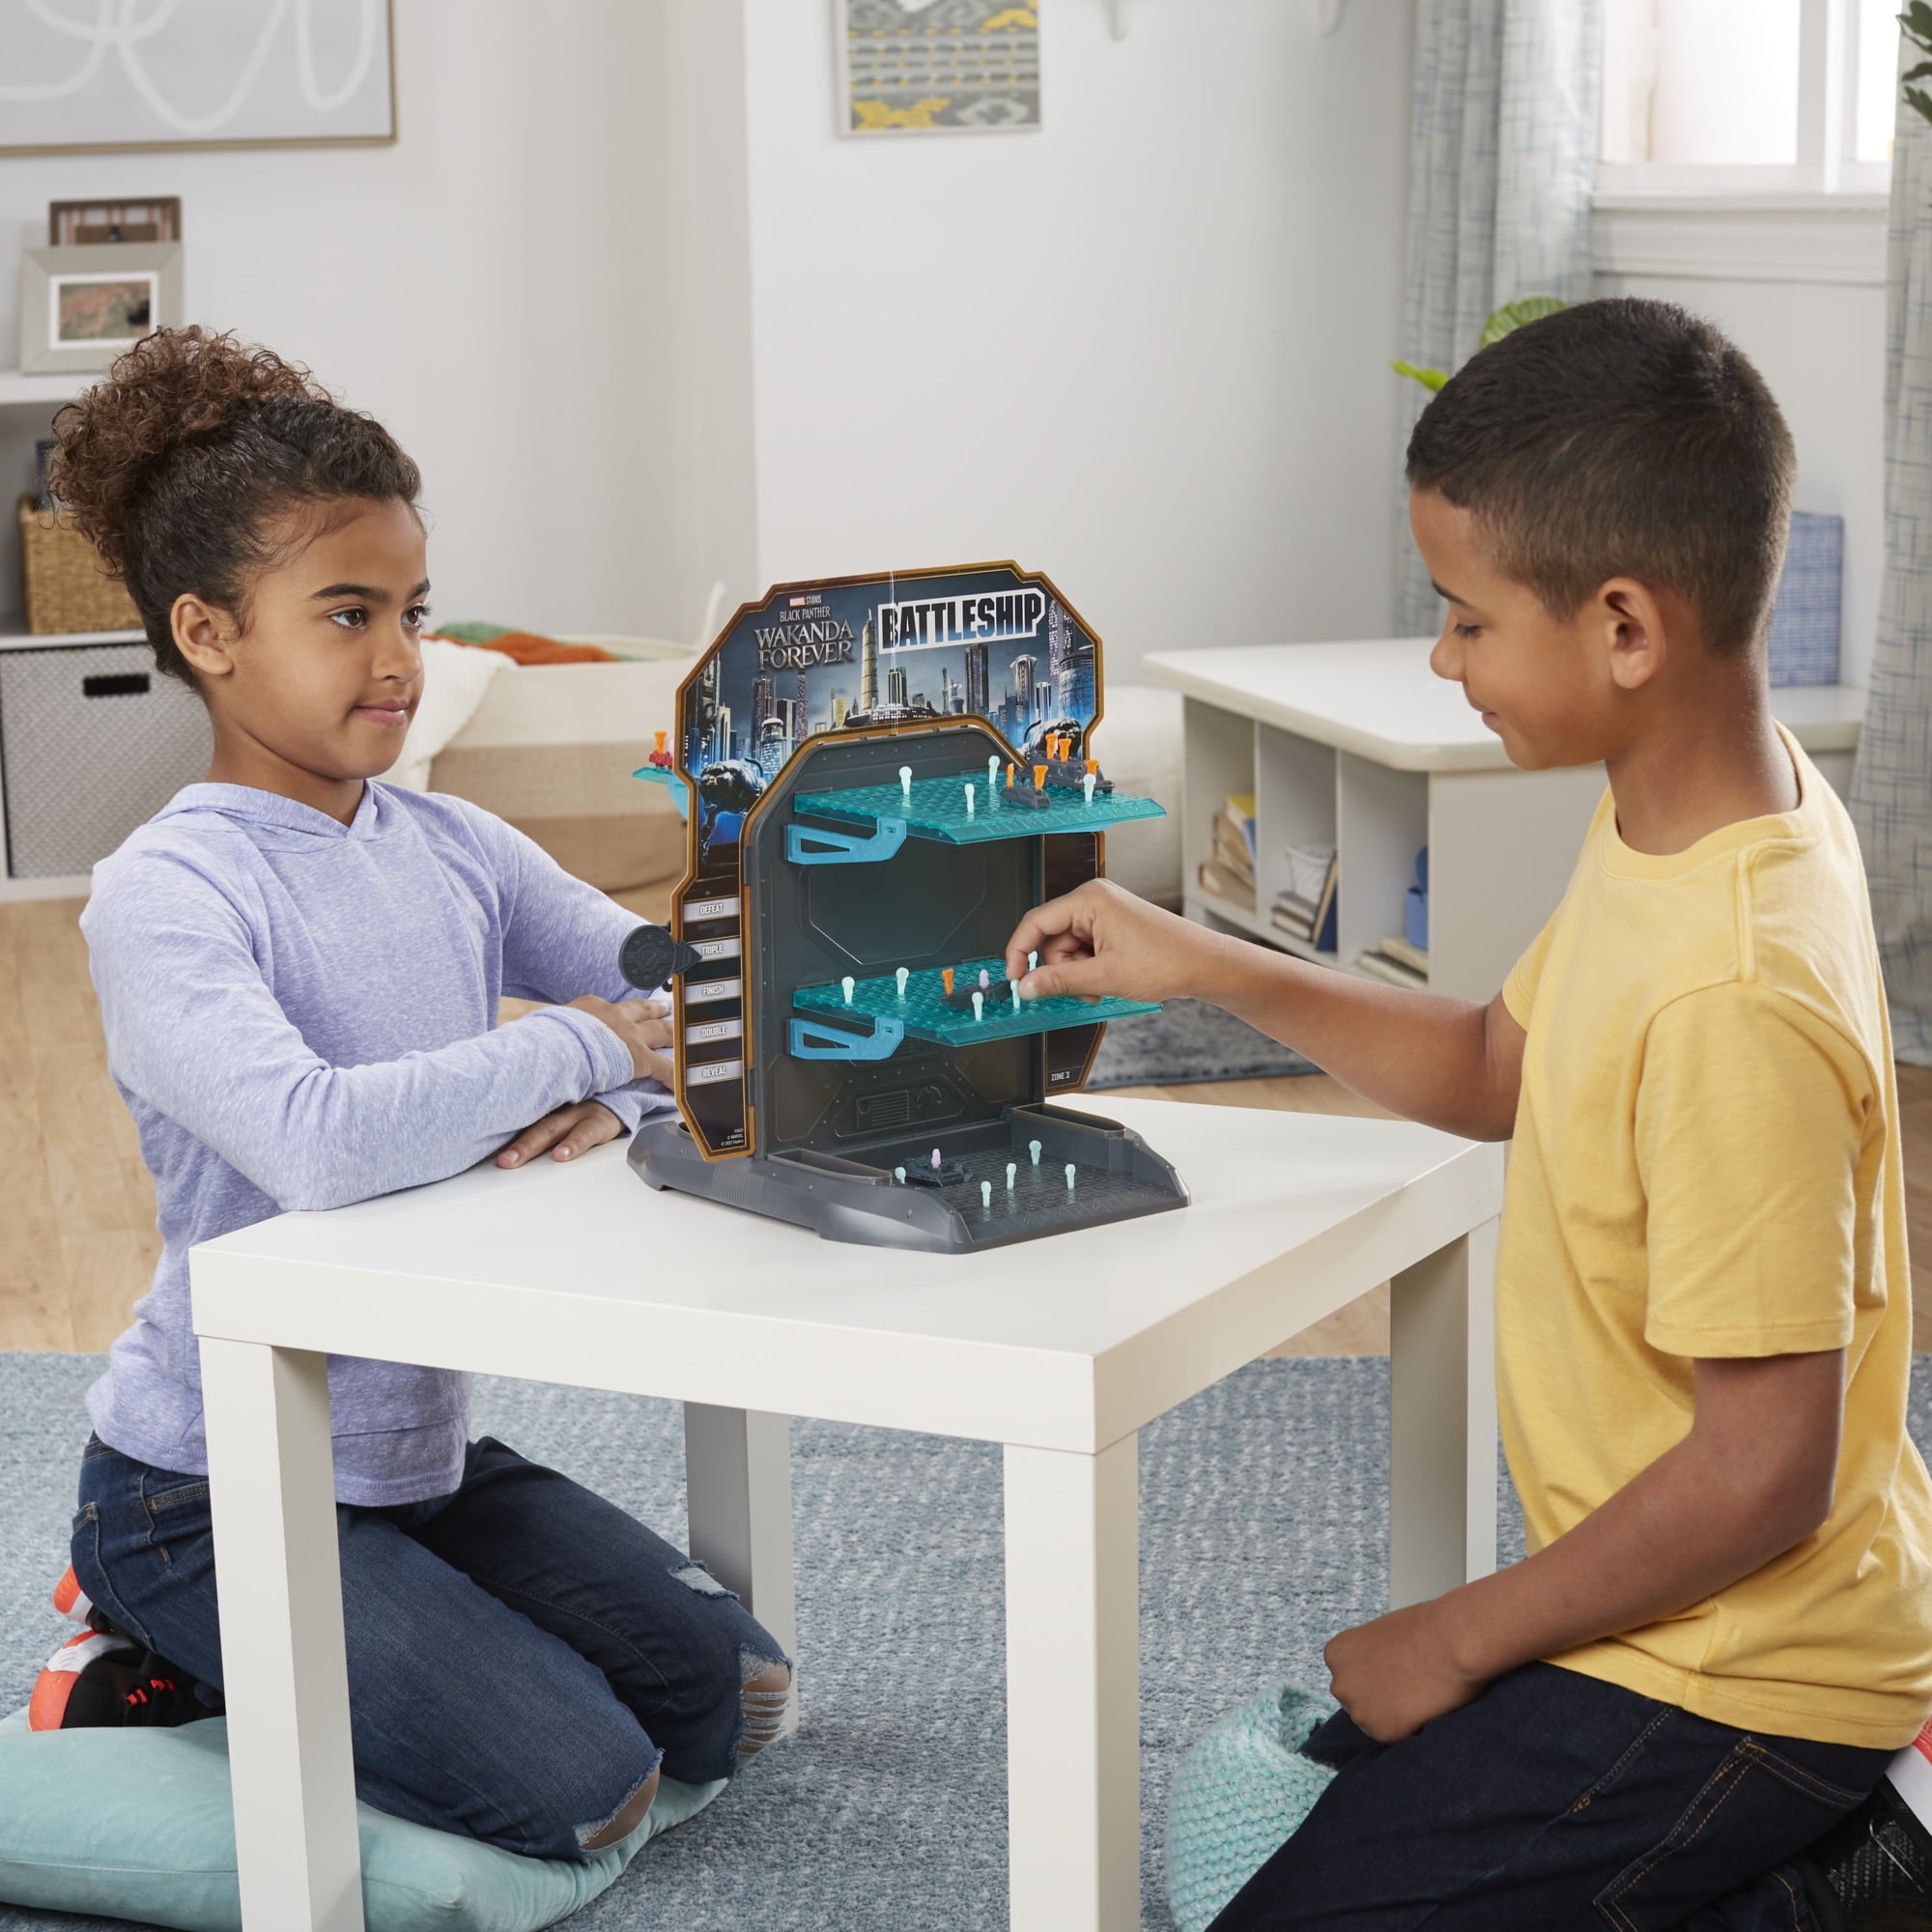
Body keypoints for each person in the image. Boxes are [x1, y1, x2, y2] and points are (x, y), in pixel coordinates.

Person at [1005, 298, 1932, 1929]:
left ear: (1625, 628)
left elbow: (1765, 1467)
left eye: (1466, 619)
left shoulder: (1732, 990)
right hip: (1684, 1617)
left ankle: (1865, 1870)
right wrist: (1199, 959)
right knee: (1318, 1822)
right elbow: (1503, 1066)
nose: (1444, 658)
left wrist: (1458, 1634)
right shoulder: (1690, 816)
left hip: (1746, 1669)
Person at [40, 327, 791, 1860]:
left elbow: (686, 995)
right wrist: (589, 1045)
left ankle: (373, 1629)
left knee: (735, 1697)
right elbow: (316, 1139)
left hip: (410, 1457)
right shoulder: (167, 893)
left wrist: (632, 1092)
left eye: (413, 612)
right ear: (207, 632)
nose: (401, 661)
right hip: (208, 1480)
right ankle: (146, 1634)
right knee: (587, 1789)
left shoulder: (448, 842)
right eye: (347, 615)